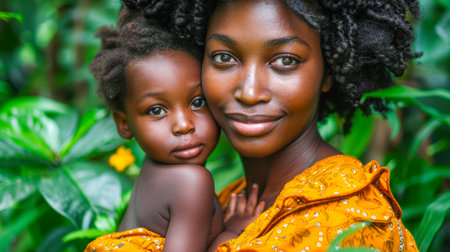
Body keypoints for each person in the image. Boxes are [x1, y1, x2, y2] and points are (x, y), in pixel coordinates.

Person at [167, 0, 418, 251]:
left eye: (285, 61)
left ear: (328, 71)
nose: (249, 92)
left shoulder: (347, 220)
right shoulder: (224, 202)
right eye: (224, 57)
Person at [84, 5, 264, 252]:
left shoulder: (153, 170)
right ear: (124, 124)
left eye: (197, 102)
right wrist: (233, 232)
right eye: (156, 110)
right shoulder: (191, 182)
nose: (183, 125)